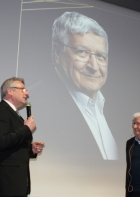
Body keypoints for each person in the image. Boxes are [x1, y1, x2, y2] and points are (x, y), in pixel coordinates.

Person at [51, 11, 118, 160]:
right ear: (57, 53)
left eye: (100, 56)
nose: (94, 66)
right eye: (82, 52)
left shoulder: (120, 111)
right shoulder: (36, 106)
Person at [0, 77, 44, 197]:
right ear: (10, 91)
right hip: (3, 185)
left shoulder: (14, 114)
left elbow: (12, 146)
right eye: (23, 89)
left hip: (15, 185)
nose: (27, 93)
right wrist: (26, 128)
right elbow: (2, 142)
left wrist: (31, 150)